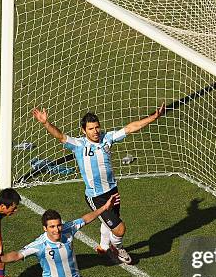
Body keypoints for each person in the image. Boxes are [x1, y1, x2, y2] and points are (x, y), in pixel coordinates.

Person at [32, 103, 166, 264]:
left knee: (111, 220)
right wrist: (46, 123)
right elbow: (60, 136)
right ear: (83, 130)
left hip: (112, 190)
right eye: (90, 129)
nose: (95, 131)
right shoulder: (79, 145)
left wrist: (153, 117)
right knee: (119, 228)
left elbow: (130, 128)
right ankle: (118, 248)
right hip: (96, 197)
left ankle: (103, 246)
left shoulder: (107, 139)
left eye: (97, 127)